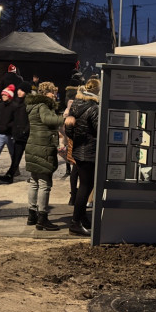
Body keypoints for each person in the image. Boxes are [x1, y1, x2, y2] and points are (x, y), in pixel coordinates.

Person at [25, 81, 64, 231]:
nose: (54, 95)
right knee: (44, 184)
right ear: (46, 93)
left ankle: (31, 215)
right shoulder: (43, 106)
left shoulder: (34, 105)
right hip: (43, 148)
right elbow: (49, 120)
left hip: (33, 146)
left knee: (34, 181)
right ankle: (42, 217)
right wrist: (64, 119)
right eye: (52, 92)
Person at [65, 78, 100, 236]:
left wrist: (76, 137)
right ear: (97, 91)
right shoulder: (94, 108)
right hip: (90, 151)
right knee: (86, 187)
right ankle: (75, 223)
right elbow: (99, 130)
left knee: (84, 186)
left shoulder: (75, 105)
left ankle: (83, 218)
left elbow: (69, 130)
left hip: (79, 150)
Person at [0, 81, 31, 184]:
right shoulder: (16, 102)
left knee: (30, 157)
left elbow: (30, 120)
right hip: (18, 134)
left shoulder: (29, 103)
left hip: (27, 135)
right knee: (16, 157)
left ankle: (35, 176)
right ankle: (10, 175)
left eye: (22, 90)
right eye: (19, 90)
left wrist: (26, 130)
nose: (19, 92)